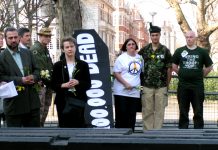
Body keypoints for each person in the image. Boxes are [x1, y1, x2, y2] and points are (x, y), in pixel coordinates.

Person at [0, 27, 40, 127]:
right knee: (14, 140)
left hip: (32, 104)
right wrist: (21, 80)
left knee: (35, 140)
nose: (13, 40)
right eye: (10, 38)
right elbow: (1, 77)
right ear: (5, 39)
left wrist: (34, 77)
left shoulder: (27, 52)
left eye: (15, 37)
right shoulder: (1, 57)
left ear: (19, 38)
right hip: (14, 105)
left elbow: (37, 70)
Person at [172, 31, 213, 129]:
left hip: (197, 86)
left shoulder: (202, 52)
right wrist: (181, 74)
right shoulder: (179, 51)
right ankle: (183, 131)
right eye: (187, 37)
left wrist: (200, 75)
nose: (189, 39)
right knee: (183, 110)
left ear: (195, 38)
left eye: (191, 37)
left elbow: (209, 66)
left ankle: (198, 132)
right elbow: (174, 66)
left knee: (198, 110)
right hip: (183, 85)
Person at [138, 23, 172, 131]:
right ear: (150, 36)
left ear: (160, 35)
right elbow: (135, 64)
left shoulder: (165, 50)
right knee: (147, 110)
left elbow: (169, 69)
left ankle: (157, 132)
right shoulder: (144, 50)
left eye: (156, 35)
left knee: (159, 110)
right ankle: (147, 132)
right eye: (152, 35)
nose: (154, 37)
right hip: (147, 85)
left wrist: (167, 84)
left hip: (161, 85)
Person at [51, 36, 91, 128]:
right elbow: (53, 85)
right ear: (63, 49)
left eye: (72, 46)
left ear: (75, 47)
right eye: (67, 47)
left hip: (79, 100)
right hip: (62, 101)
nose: (70, 49)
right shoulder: (58, 65)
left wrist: (78, 82)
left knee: (79, 125)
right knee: (63, 126)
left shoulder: (83, 65)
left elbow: (88, 84)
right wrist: (63, 85)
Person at [112, 38, 143, 131]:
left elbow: (141, 73)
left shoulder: (140, 58)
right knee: (121, 116)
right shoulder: (121, 58)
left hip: (134, 92)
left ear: (136, 46)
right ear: (125, 46)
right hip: (121, 92)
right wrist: (125, 84)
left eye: (133, 44)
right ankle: (119, 138)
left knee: (131, 117)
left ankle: (131, 137)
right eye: (129, 44)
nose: (131, 46)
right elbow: (116, 73)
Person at [30, 27, 53, 127]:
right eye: (45, 36)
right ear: (40, 36)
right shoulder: (36, 49)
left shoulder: (45, 49)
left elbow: (49, 65)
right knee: (40, 107)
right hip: (40, 83)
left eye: (49, 36)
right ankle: (38, 129)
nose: (48, 38)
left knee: (46, 106)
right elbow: (39, 67)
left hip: (47, 83)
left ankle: (41, 127)